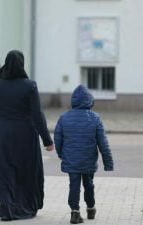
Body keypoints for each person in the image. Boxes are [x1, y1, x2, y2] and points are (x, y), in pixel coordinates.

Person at [0, 50, 54, 221]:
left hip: (4, 132)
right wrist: (47, 140)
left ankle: (8, 207)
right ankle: (26, 205)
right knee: (26, 170)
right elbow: (37, 115)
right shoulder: (30, 85)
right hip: (26, 133)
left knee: (5, 171)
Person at [54, 84, 114, 224]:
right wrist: (108, 163)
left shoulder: (64, 117)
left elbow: (58, 139)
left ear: (73, 100)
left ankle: (75, 212)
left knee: (73, 185)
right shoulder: (95, 118)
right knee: (89, 184)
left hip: (71, 159)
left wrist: (61, 154)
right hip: (88, 159)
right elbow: (103, 143)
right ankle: (91, 209)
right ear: (90, 101)